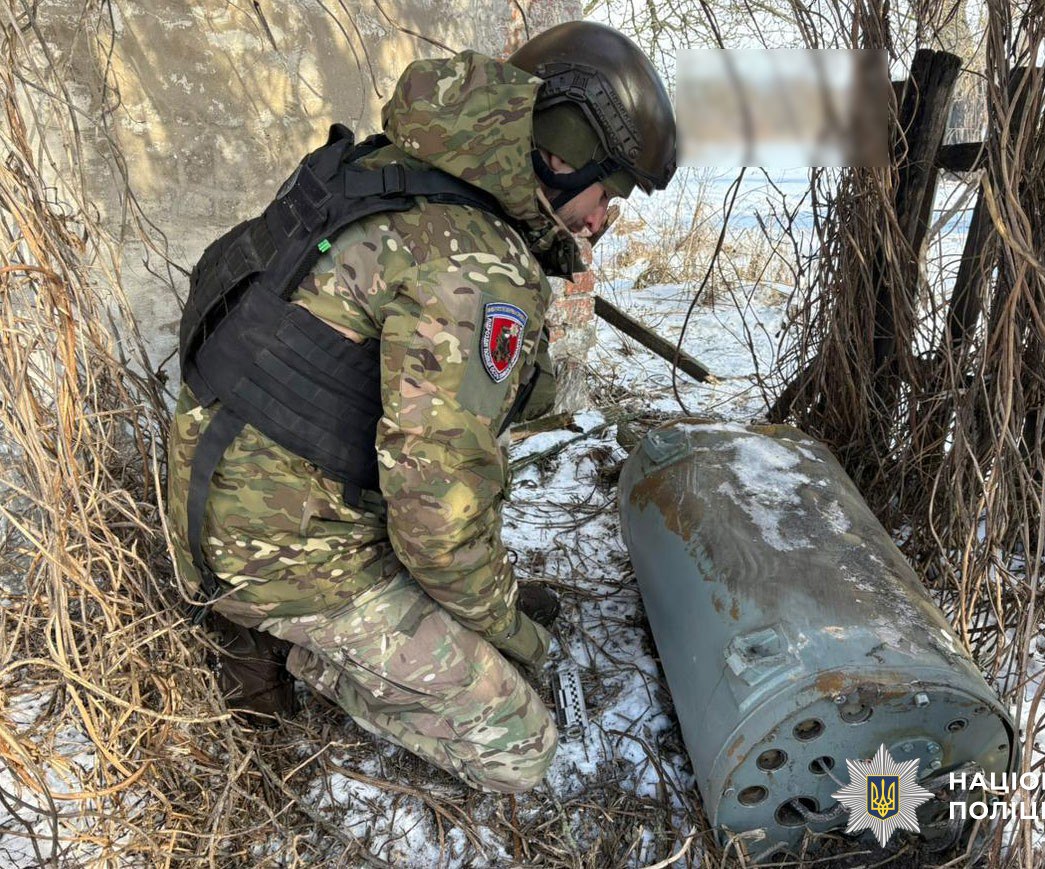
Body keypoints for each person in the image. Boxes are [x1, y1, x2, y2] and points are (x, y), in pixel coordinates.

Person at [166, 21, 676, 793]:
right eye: (611, 193)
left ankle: (266, 607)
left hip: (221, 478)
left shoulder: (386, 168)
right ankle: (285, 641)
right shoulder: (478, 265)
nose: (604, 222)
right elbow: (438, 524)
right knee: (519, 748)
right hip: (284, 549)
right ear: (562, 152)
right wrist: (514, 634)